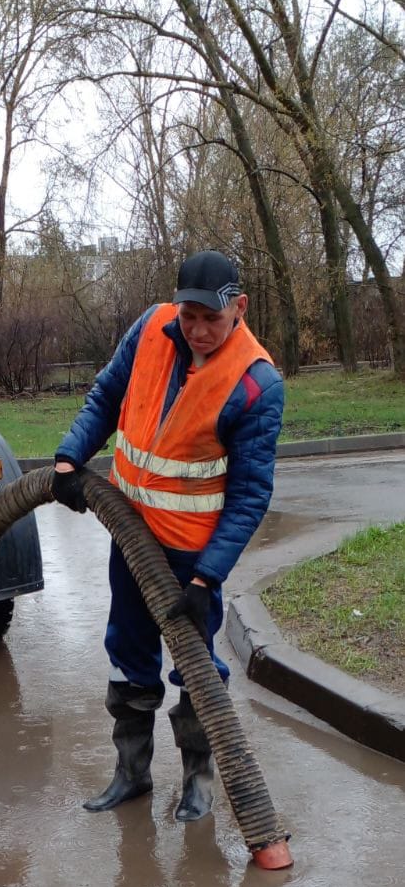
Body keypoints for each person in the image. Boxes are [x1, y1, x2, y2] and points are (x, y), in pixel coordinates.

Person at [52, 249, 284, 819]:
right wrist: (68, 458)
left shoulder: (256, 384)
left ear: (239, 308)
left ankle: (198, 784)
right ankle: (131, 774)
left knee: (196, 666)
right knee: (128, 651)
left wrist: (208, 577)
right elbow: (107, 398)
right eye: (190, 317)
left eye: (213, 318)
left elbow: (251, 494)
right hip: (130, 533)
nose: (200, 330)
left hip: (191, 557)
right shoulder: (150, 330)